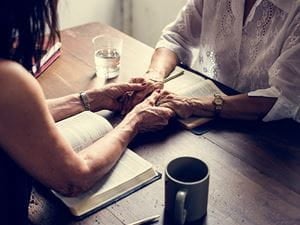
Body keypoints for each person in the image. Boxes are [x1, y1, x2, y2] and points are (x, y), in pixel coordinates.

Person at [0, 1, 173, 224]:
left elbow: (18, 114)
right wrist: (135, 120)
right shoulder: (8, 79)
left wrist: (88, 99)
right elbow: (73, 179)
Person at [144, 0, 300, 122]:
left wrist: (192, 104)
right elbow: (176, 37)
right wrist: (154, 77)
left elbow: (284, 97)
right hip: (208, 112)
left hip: (269, 136)